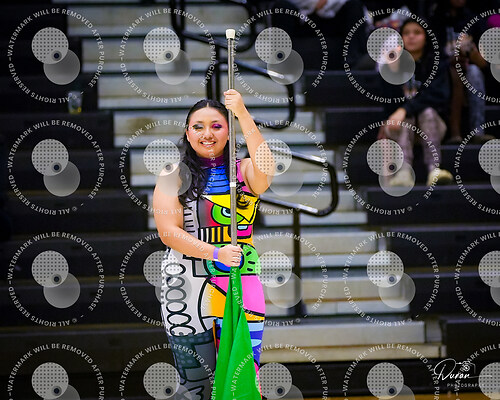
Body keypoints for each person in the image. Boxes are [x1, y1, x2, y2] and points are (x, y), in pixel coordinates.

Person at [153, 89, 272, 398]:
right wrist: (216, 252)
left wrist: (242, 113)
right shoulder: (172, 175)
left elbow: (266, 172)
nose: (207, 134)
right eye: (198, 126)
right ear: (187, 133)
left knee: (243, 379)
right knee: (197, 385)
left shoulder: (244, 170)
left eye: (217, 126)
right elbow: (168, 232)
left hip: (241, 280)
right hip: (187, 287)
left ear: (229, 132)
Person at [379, 19, 453, 186]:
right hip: (400, 128)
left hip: (432, 127)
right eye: (406, 33)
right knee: (406, 119)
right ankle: (404, 172)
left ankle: (434, 170)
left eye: (417, 33)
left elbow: (437, 96)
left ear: (426, 38)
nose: (411, 37)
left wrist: (405, 109)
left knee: (427, 112)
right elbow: (389, 106)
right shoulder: (392, 65)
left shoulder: (437, 64)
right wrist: (392, 73)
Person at [431, 0, 493, 144]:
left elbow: (486, 63)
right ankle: (452, 132)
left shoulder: (474, 19)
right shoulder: (436, 20)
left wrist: (472, 53)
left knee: (474, 72)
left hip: (468, 66)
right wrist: (449, 60)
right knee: (453, 72)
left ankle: (477, 131)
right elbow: (429, 56)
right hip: (441, 69)